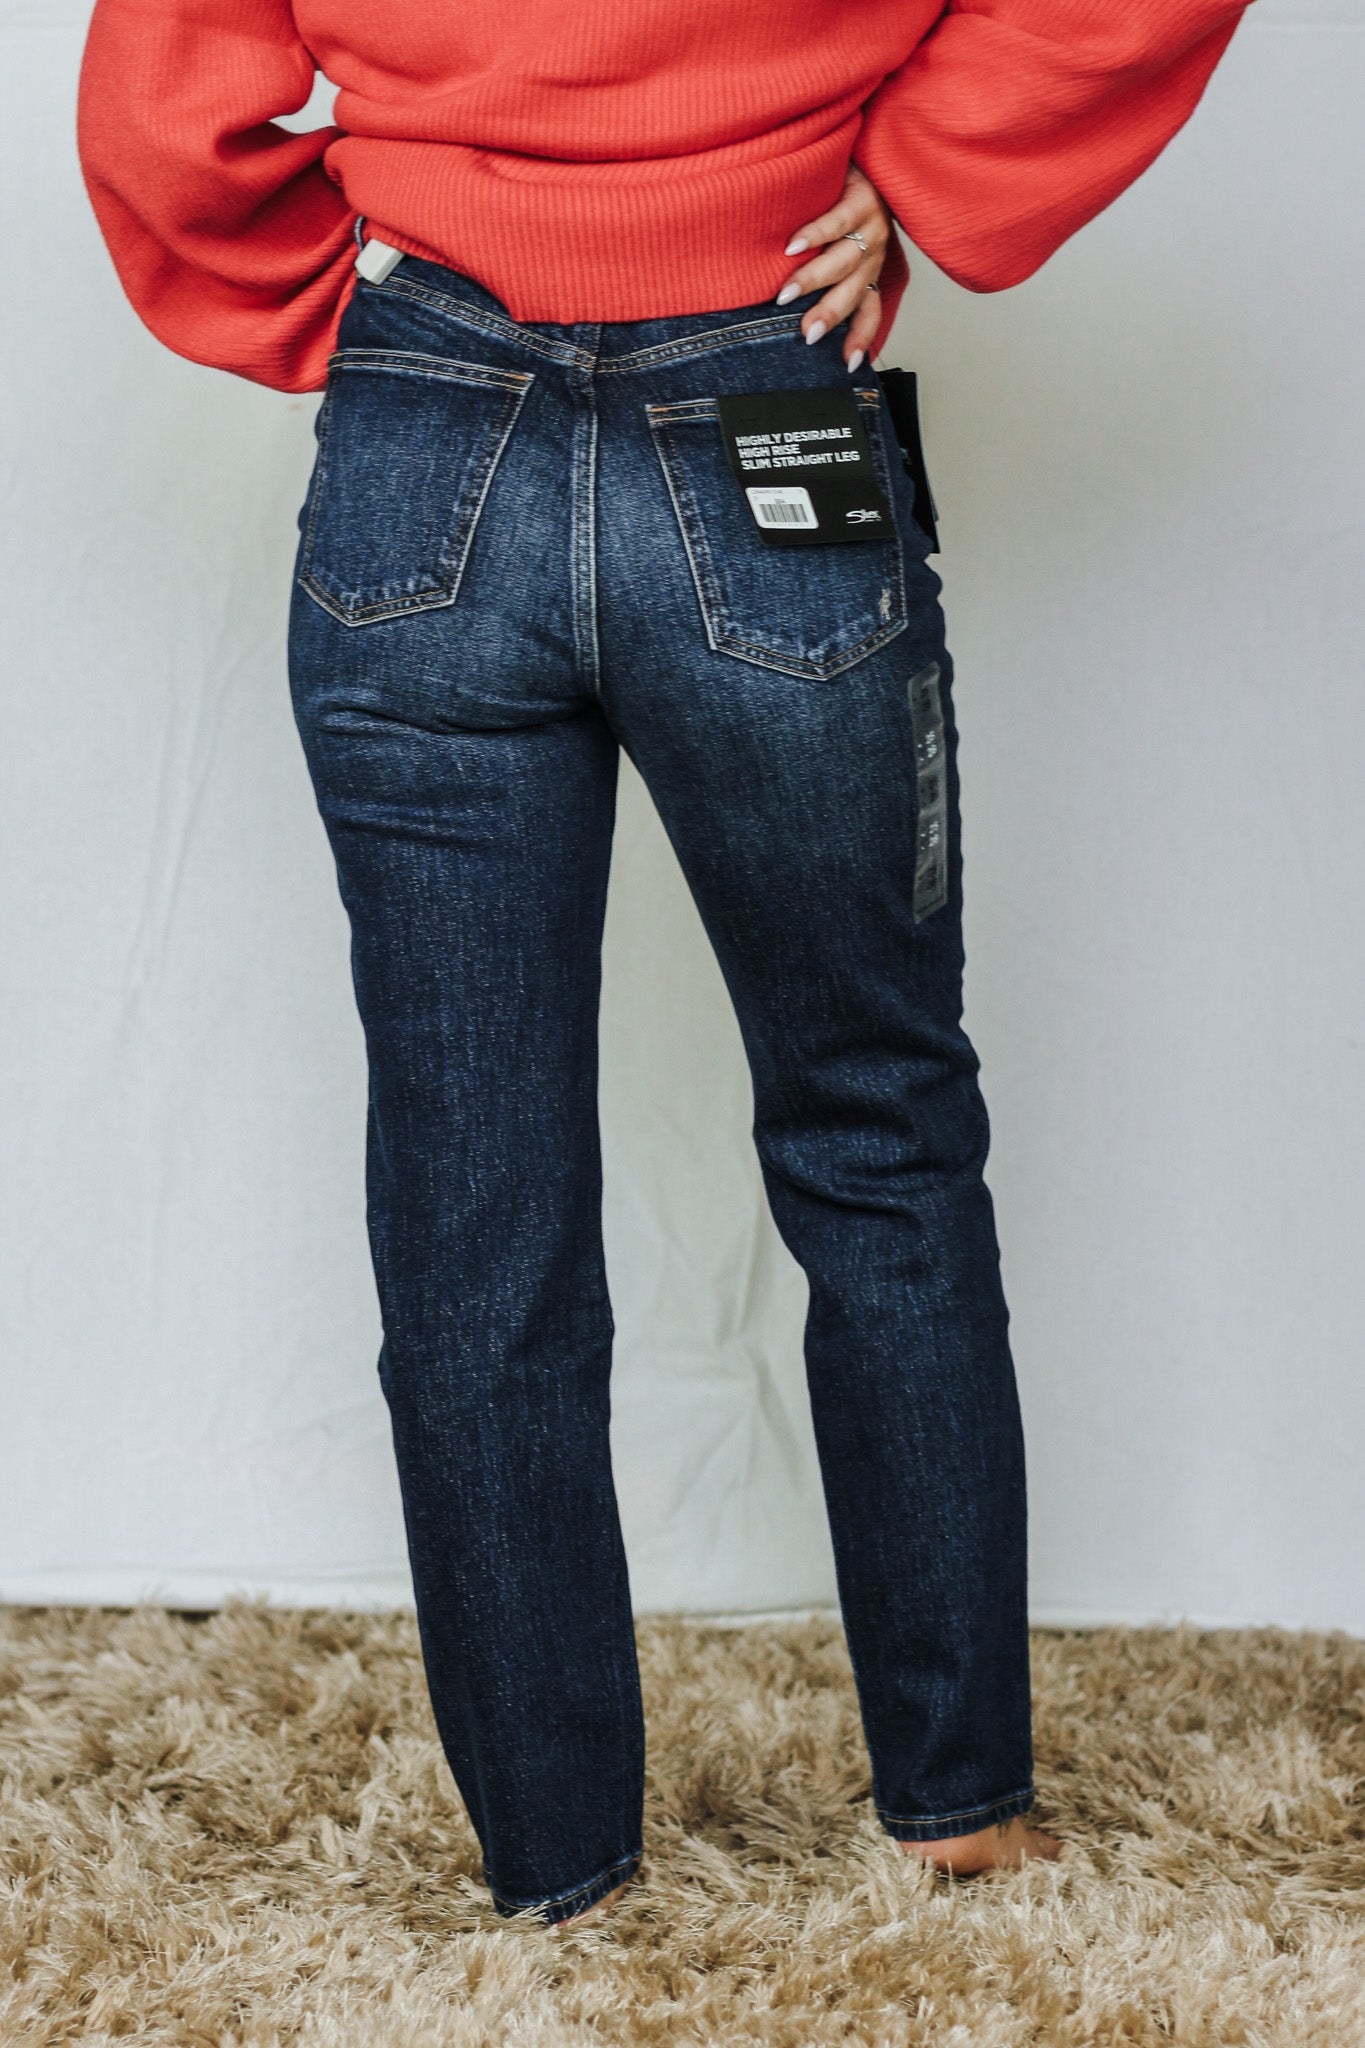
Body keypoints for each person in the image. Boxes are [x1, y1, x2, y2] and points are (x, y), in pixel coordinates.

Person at [77, 0, 1253, 1928]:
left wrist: (367, 303)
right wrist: (921, 173)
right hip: (763, 375)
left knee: (470, 1203)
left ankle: (556, 1866)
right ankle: (956, 1802)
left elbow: (157, 103)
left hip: (425, 424)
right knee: (876, 1129)